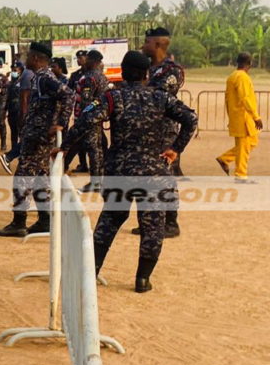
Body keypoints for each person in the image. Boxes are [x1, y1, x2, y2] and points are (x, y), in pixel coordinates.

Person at [58, 51, 197, 293]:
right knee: (153, 226)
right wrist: (175, 149)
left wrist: (64, 146)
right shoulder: (161, 97)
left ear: (122, 72)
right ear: (146, 74)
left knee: (110, 221)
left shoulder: (113, 97)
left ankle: (92, 271)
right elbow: (191, 119)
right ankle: (143, 279)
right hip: (153, 173)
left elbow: (85, 120)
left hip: (119, 171)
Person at [0, 42, 73, 237]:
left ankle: (18, 222)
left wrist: (61, 123)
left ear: (36, 59)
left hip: (39, 136)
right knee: (39, 178)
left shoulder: (45, 77)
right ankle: (45, 219)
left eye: (29, 56)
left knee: (22, 177)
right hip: (37, 135)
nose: (25, 60)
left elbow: (68, 95)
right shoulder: (40, 77)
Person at [135, 27, 186, 237]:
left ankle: (171, 223)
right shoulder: (149, 68)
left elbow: (158, 95)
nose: (142, 46)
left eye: (146, 42)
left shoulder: (172, 70)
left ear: (156, 44)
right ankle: (149, 222)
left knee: (167, 177)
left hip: (165, 132)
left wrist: (136, 91)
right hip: (148, 131)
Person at [217, 52, 262, 183]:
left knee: (252, 142)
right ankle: (241, 175)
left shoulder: (232, 76)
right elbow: (245, 98)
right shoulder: (242, 77)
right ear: (250, 64)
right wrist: (256, 116)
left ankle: (225, 159)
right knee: (244, 146)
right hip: (244, 117)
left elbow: (227, 100)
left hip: (238, 116)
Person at [72, 50, 108, 193]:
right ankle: (98, 181)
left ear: (92, 61)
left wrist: (85, 115)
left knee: (92, 149)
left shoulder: (90, 78)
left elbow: (87, 101)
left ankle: (95, 182)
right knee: (98, 149)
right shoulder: (103, 77)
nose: (84, 61)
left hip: (90, 118)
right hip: (99, 117)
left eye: (86, 59)